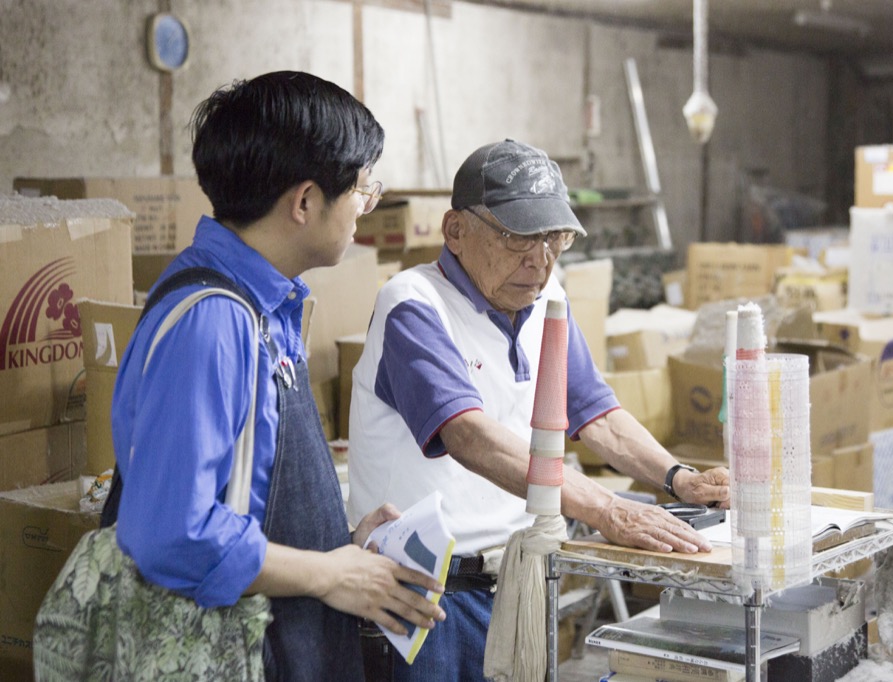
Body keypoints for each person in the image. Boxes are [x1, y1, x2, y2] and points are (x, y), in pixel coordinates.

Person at [347, 138, 730, 681]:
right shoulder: (413, 304)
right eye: (517, 237)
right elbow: (469, 435)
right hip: (423, 593)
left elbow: (594, 414)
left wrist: (677, 478)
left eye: (555, 239)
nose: (540, 260)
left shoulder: (545, 302)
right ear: (455, 230)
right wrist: (605, 509)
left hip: (516, 581)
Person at [105, 71, 445, 681]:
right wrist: (330, 573)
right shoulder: (213, 321)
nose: (365, 210)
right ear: (306, 201)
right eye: (364, 190)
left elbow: (246, 500)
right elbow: (170, 532)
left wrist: (336, 545)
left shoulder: (265, 307)